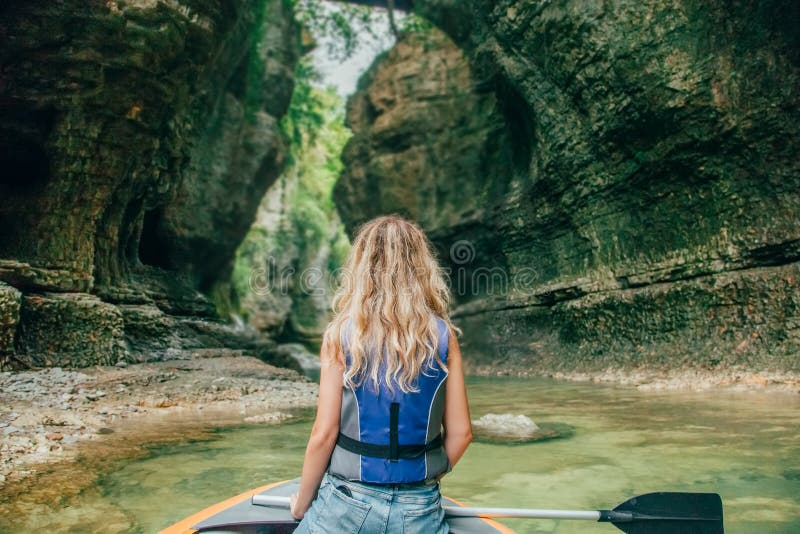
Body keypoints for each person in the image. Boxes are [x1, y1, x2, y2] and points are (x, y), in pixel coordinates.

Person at [290, 215, 473, 533]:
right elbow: (461, 434)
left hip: (346, 504)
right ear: (421, 268)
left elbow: (324, 435)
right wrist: (421, 479)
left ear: (361, 268)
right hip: (421, 508)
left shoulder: (340, 336)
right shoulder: (444, 337)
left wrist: (302, 504)